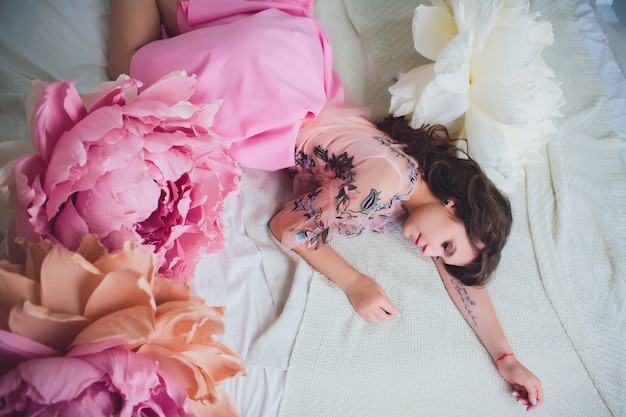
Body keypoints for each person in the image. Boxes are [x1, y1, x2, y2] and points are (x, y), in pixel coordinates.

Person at [108, 0, 544, 410]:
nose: (428, 254)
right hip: (264, 95)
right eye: (444, 246)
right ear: (452, 205)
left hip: (291, 58)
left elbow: (461, 276)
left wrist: (505, 356)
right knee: (128, 79)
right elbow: (286, 226)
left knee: (186, 18)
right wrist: (356, 283)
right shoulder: (381, 190)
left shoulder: (411, 168)